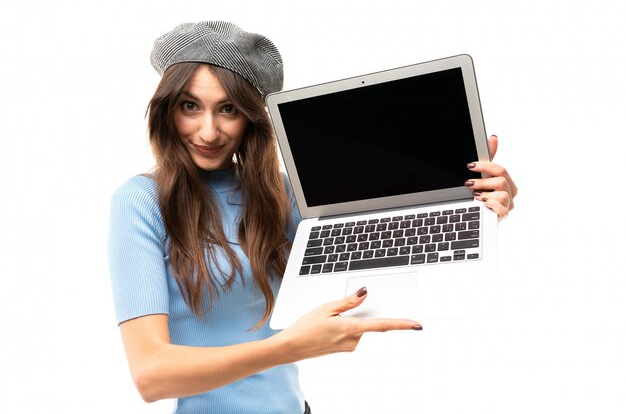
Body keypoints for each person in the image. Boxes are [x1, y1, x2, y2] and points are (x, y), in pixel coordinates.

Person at [108, 21, 518, 414]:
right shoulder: (142, 202)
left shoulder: (282, 194)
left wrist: (473, 213)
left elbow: (374, 248)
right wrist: (293, 346)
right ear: (167, 110)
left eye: (228, 109)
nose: (209, 131)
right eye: (190, 106)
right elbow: (151, 375)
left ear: (251, 118)